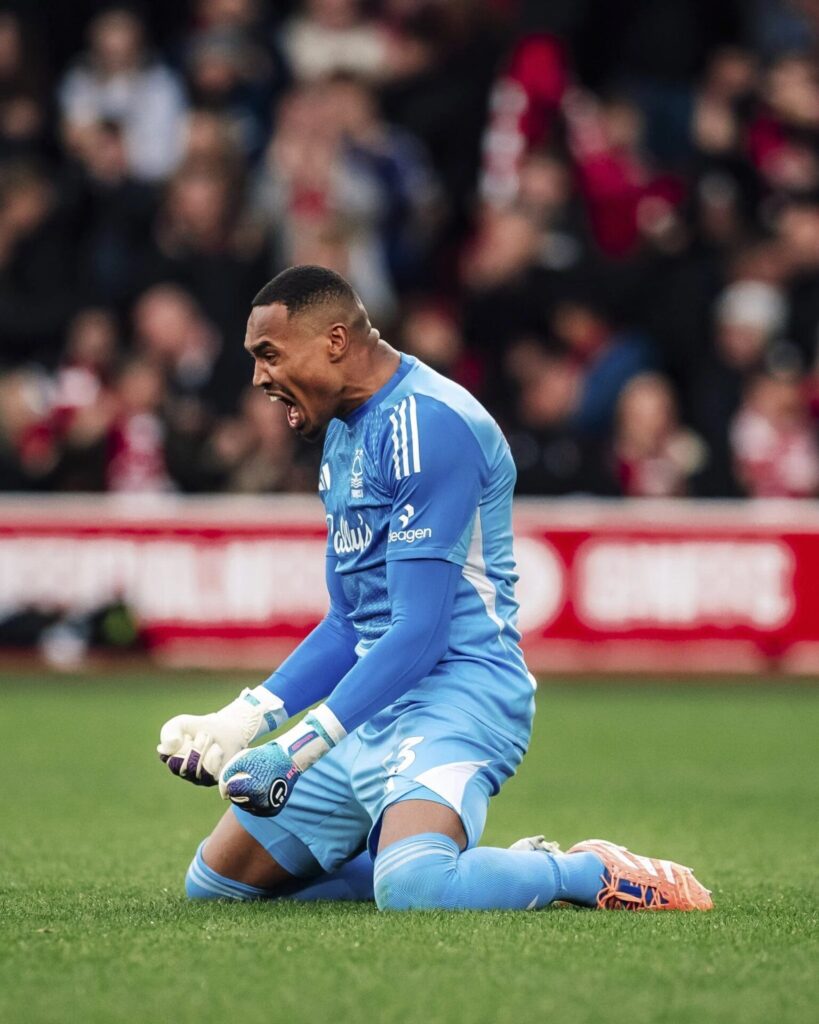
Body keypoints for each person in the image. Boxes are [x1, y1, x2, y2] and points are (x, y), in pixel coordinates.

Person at [157, 264, 712, 912]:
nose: (258, 377)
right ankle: (434, 855)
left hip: (459, 691)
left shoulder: (429, 424)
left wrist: (293, 748)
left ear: (334, 341)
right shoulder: (342, 432)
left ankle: (583, 871)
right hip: (372, 700)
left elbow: (419, 634)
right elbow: (349, 622)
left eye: (269, 354)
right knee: (217, 885)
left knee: (414, 889)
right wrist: (242, 719)